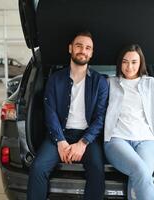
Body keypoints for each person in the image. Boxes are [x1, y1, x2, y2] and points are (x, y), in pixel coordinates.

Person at [27, 31, 109, 200]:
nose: (83, 50)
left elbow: (100, 118)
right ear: (70, 48)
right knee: (38, 168)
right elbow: (50, 113)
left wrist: (83, 143)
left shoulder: (100, 82)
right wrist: (60, 141)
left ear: (91, 53)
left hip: (87, 137)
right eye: (79, 46)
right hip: (59, 134)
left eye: (88, 48)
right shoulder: (55, 79)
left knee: (97, 170)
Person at [104, 44, 154, 200]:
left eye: (134, 62)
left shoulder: (152, 84)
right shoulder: (110, 83)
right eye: (125, 61)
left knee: (141, 176)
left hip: (146, 140)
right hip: (117, 139)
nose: (129, 67)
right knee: (140, 171)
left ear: (140, 62)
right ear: (120, 63)